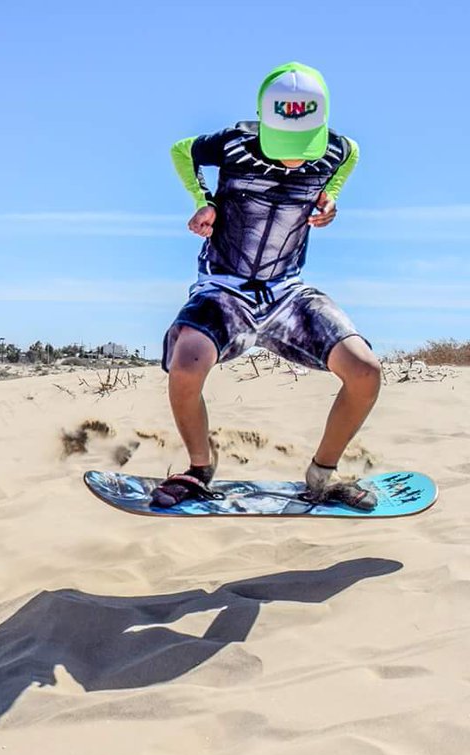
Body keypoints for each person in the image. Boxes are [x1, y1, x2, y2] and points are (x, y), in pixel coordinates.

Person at [157, 62, 381, 509]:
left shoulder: (338, 149)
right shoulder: (233, 143)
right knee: (186, 365)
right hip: (224, 289)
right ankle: (200, 469)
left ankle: (322, 475)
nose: (294, 157)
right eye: (284, 144)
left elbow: (351, 155)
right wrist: (204, 201)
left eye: (302, 146)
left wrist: (330, 195)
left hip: (289, 292)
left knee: (365, 373)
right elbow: (182, 150)